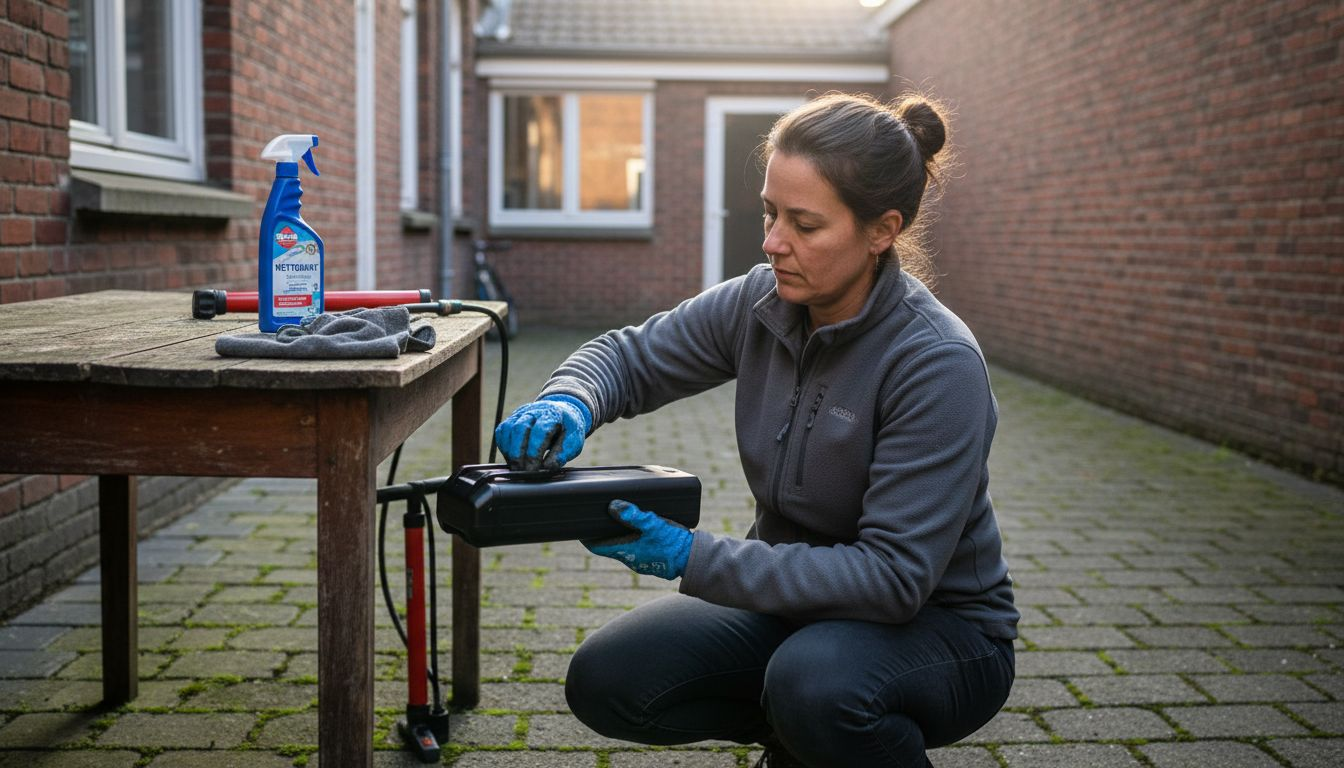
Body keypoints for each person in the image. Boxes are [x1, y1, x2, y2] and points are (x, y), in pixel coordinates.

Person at [494, 92, 1017, 768]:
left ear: (881, 230)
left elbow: (892, 578)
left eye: (804, 224)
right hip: (796, 606)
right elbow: (630, 357)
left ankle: (822, 729)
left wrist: (694, 558)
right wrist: (570, 400)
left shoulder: (935, 363)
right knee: (610, 680)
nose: (772, 242)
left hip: (938, 629)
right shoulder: (761, 302)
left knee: (817, 685)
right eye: (771, 213)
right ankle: (800, 743)